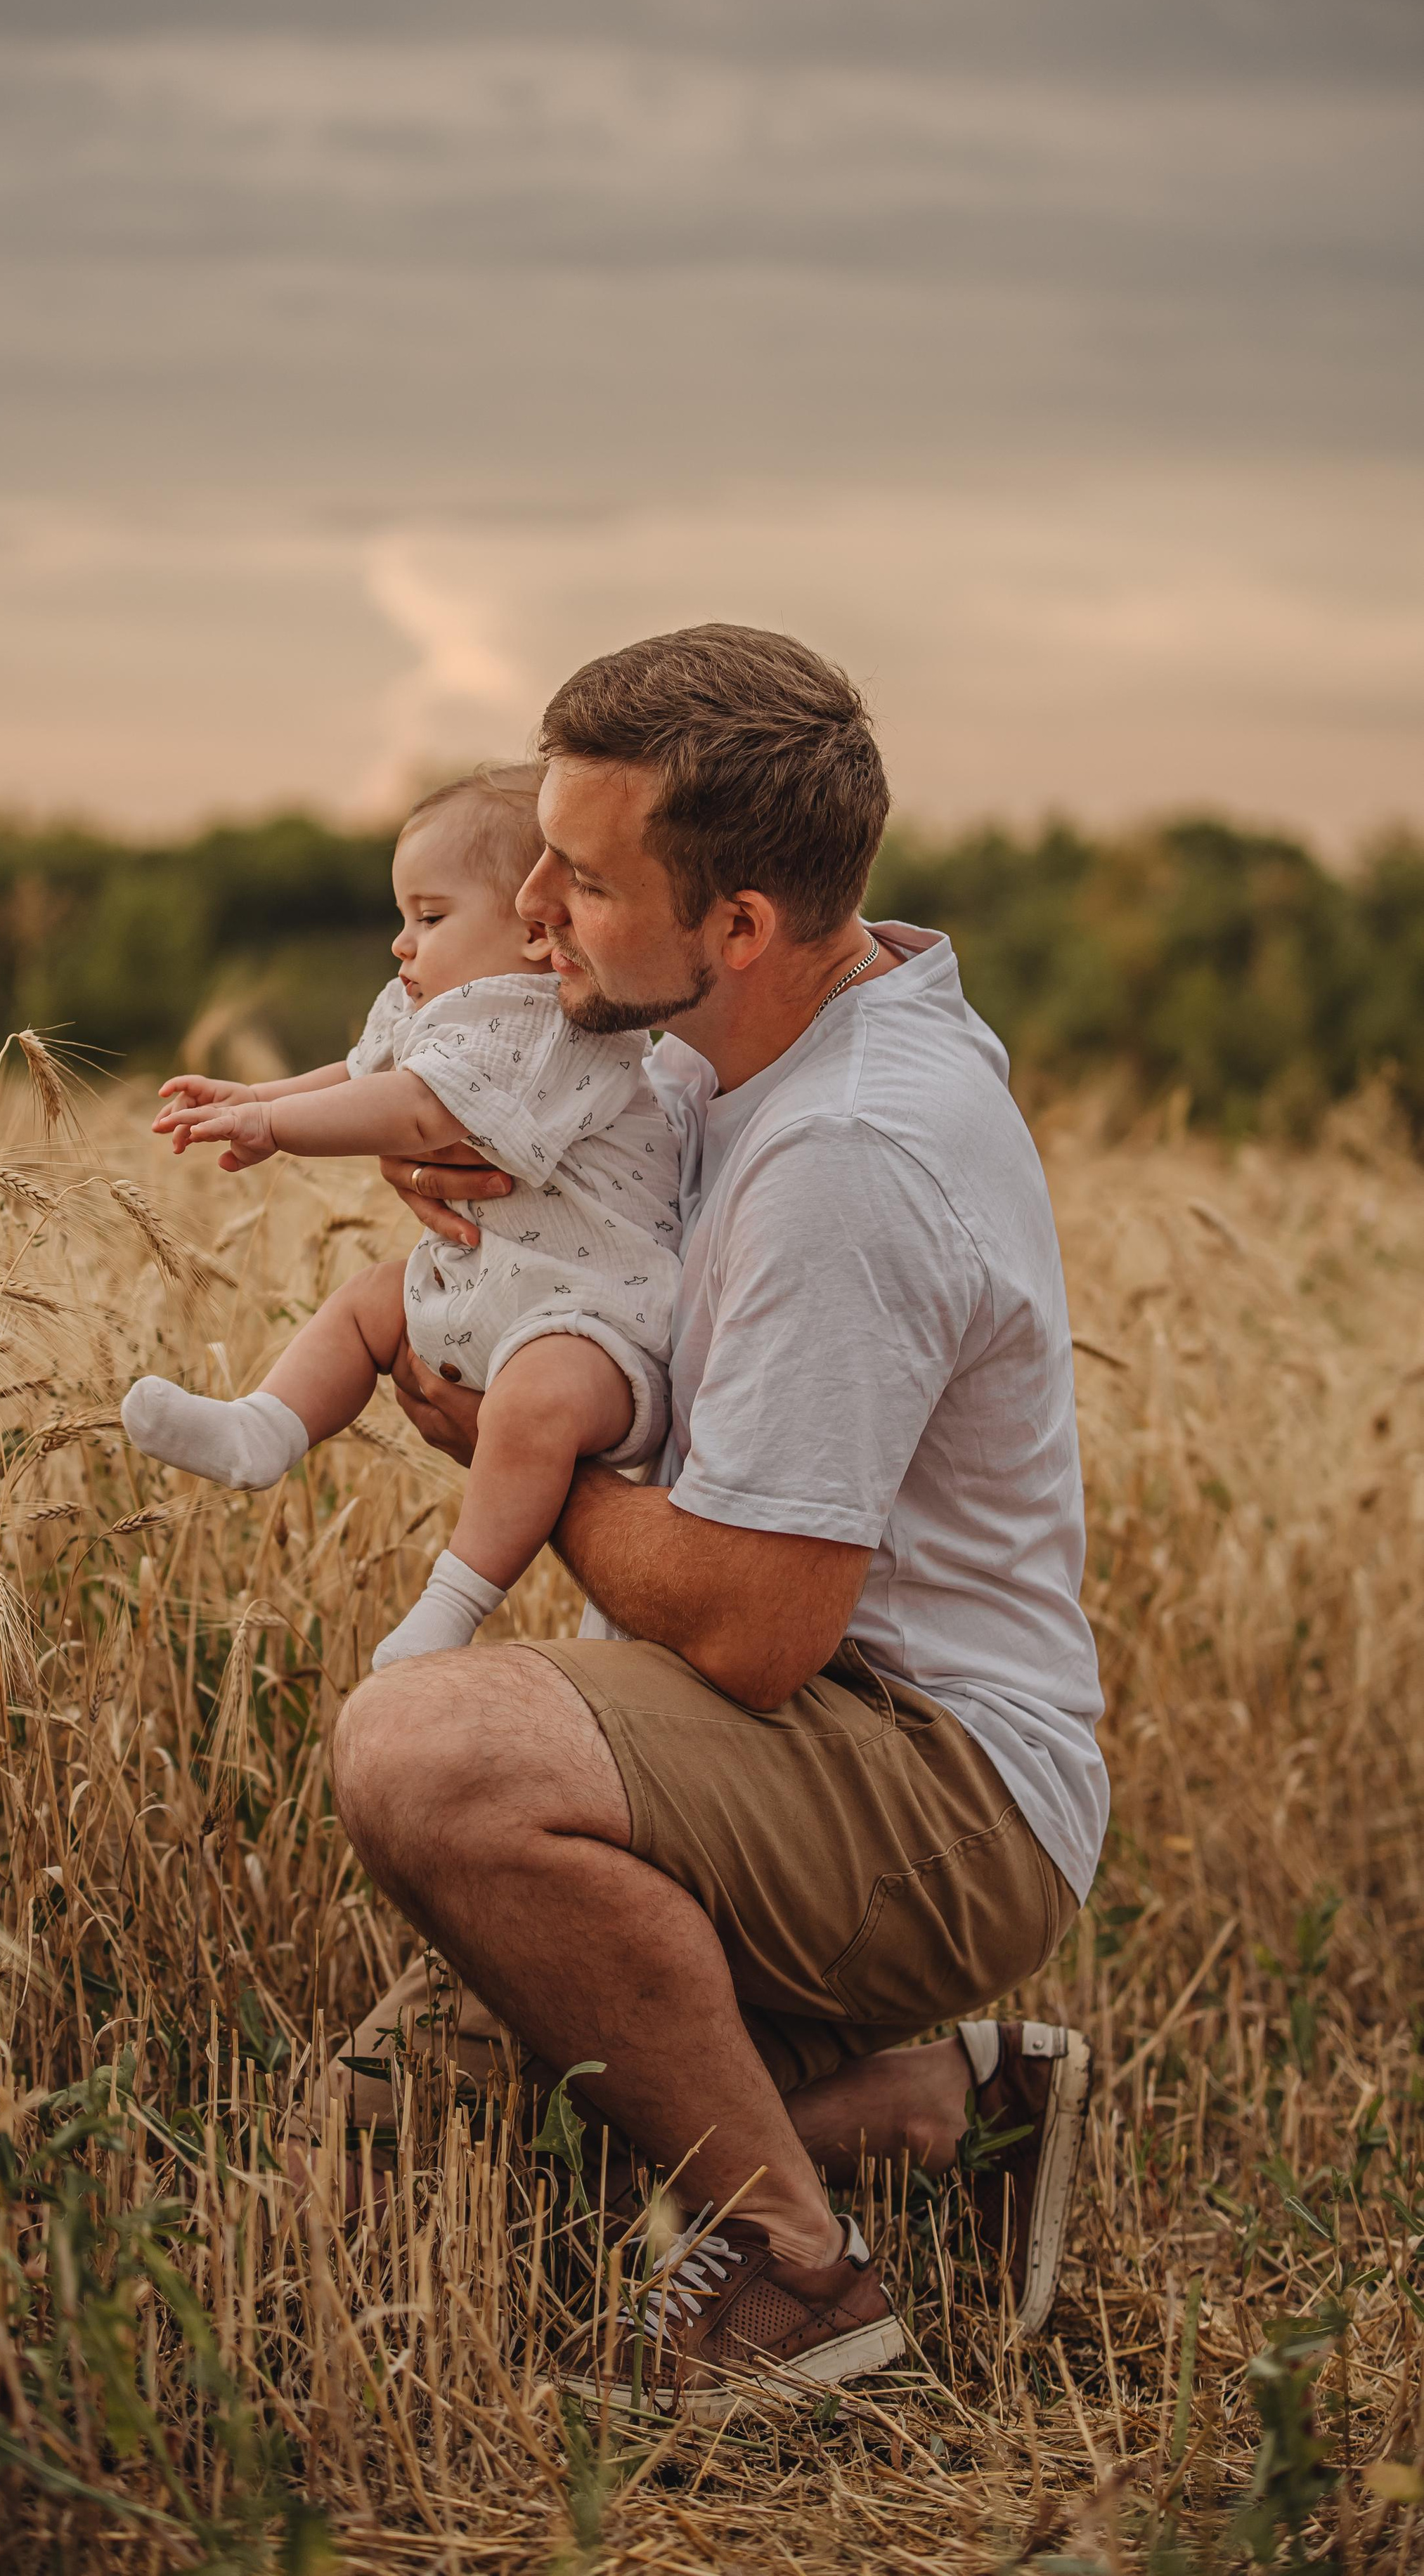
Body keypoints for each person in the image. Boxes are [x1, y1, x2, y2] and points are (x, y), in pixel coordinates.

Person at [323, 624, 1108, 2415]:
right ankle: (941, 2109)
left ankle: (798, 2281)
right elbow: (541, 1107)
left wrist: (499, 1451)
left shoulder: (848, 1155)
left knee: (426, 1751)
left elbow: (758, 1630)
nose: (527, 902)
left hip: (929, 1778)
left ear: (738, 921)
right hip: (796, 1732)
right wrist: (432, 1131)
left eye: (580, 876)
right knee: (380, 2155)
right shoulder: (731, 1019)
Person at [119, 766, 682, 1670]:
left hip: (595, 1323)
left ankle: (450, 1607)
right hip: (489, 1283)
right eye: (402, 916)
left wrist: (273, 1127)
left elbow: (423, 1113)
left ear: (537, 932)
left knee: (535, 1397)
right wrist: (260, 1096)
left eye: (430, 917)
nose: (400, 944)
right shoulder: (434, 1004)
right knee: (368, 1301)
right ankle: (263, 1427)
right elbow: (363, 1080)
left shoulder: (555, 1024)